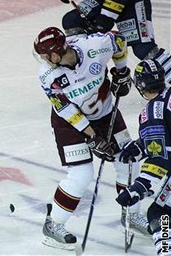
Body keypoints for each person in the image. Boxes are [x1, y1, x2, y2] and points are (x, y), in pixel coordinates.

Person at [34, 26, 149, 250]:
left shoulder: (95, 47)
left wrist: (122, 71)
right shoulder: (47, 75)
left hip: (105, 112)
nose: (43, 60)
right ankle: (53, 224)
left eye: (45, 55)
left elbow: (119, 40)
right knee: (81, 174)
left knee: (128, 161)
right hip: (69, 124)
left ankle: (131, 215)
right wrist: (92, 138)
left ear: (56, 54)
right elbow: (65, 109)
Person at [117, 59, 171, 255]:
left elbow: (160, 159)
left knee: (159, 214)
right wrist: (141, 146)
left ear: (139, 85)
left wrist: (138, 188)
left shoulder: (152, 111)